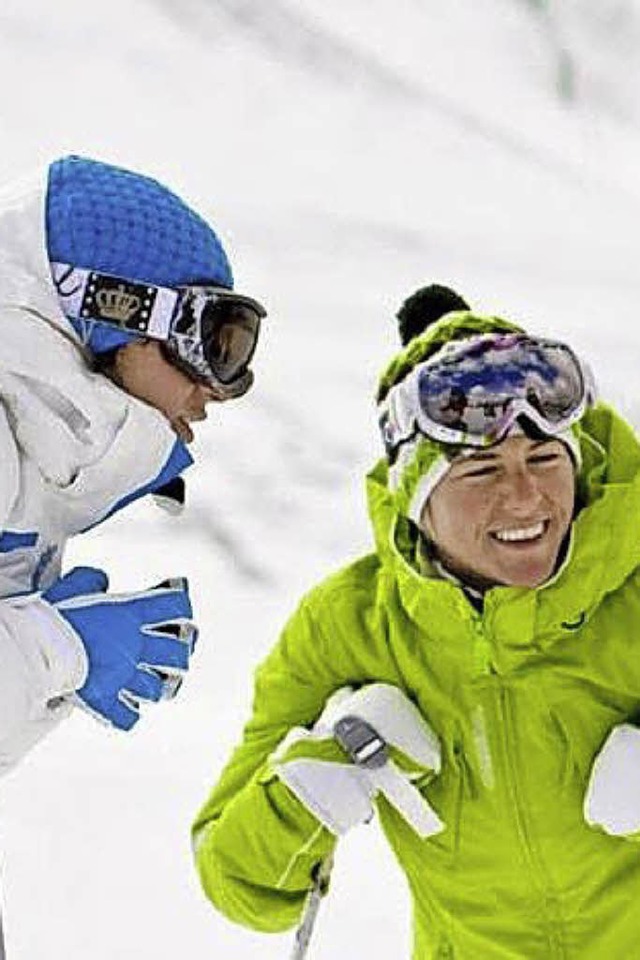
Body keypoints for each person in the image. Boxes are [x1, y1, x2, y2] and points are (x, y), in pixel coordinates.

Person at [192, 284, 640, 959]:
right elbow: (240, 884)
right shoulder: (350, 629)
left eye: (546, 459)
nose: (525, 497)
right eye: (481, 469)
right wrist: (310, 785)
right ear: (415, 498)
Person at [0, 154, 266, 773]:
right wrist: (53, 650)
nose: (216, 390)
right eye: (208, 344)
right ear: (114, 313)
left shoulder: (29, 463)